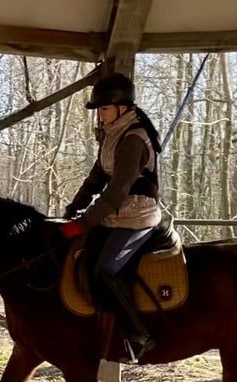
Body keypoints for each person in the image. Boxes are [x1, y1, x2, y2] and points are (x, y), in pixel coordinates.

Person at [58, 72, 162, 363]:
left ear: (122, 107)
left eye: (103, 109)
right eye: (99, 111)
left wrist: (84, 222)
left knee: (106, 270)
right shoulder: (112, 135)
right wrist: (72, 208)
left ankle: (138, 334)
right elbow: (96, 177)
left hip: (137, 217)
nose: (99, 116)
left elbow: (116, 191)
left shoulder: (133, 139)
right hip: (115, 216)